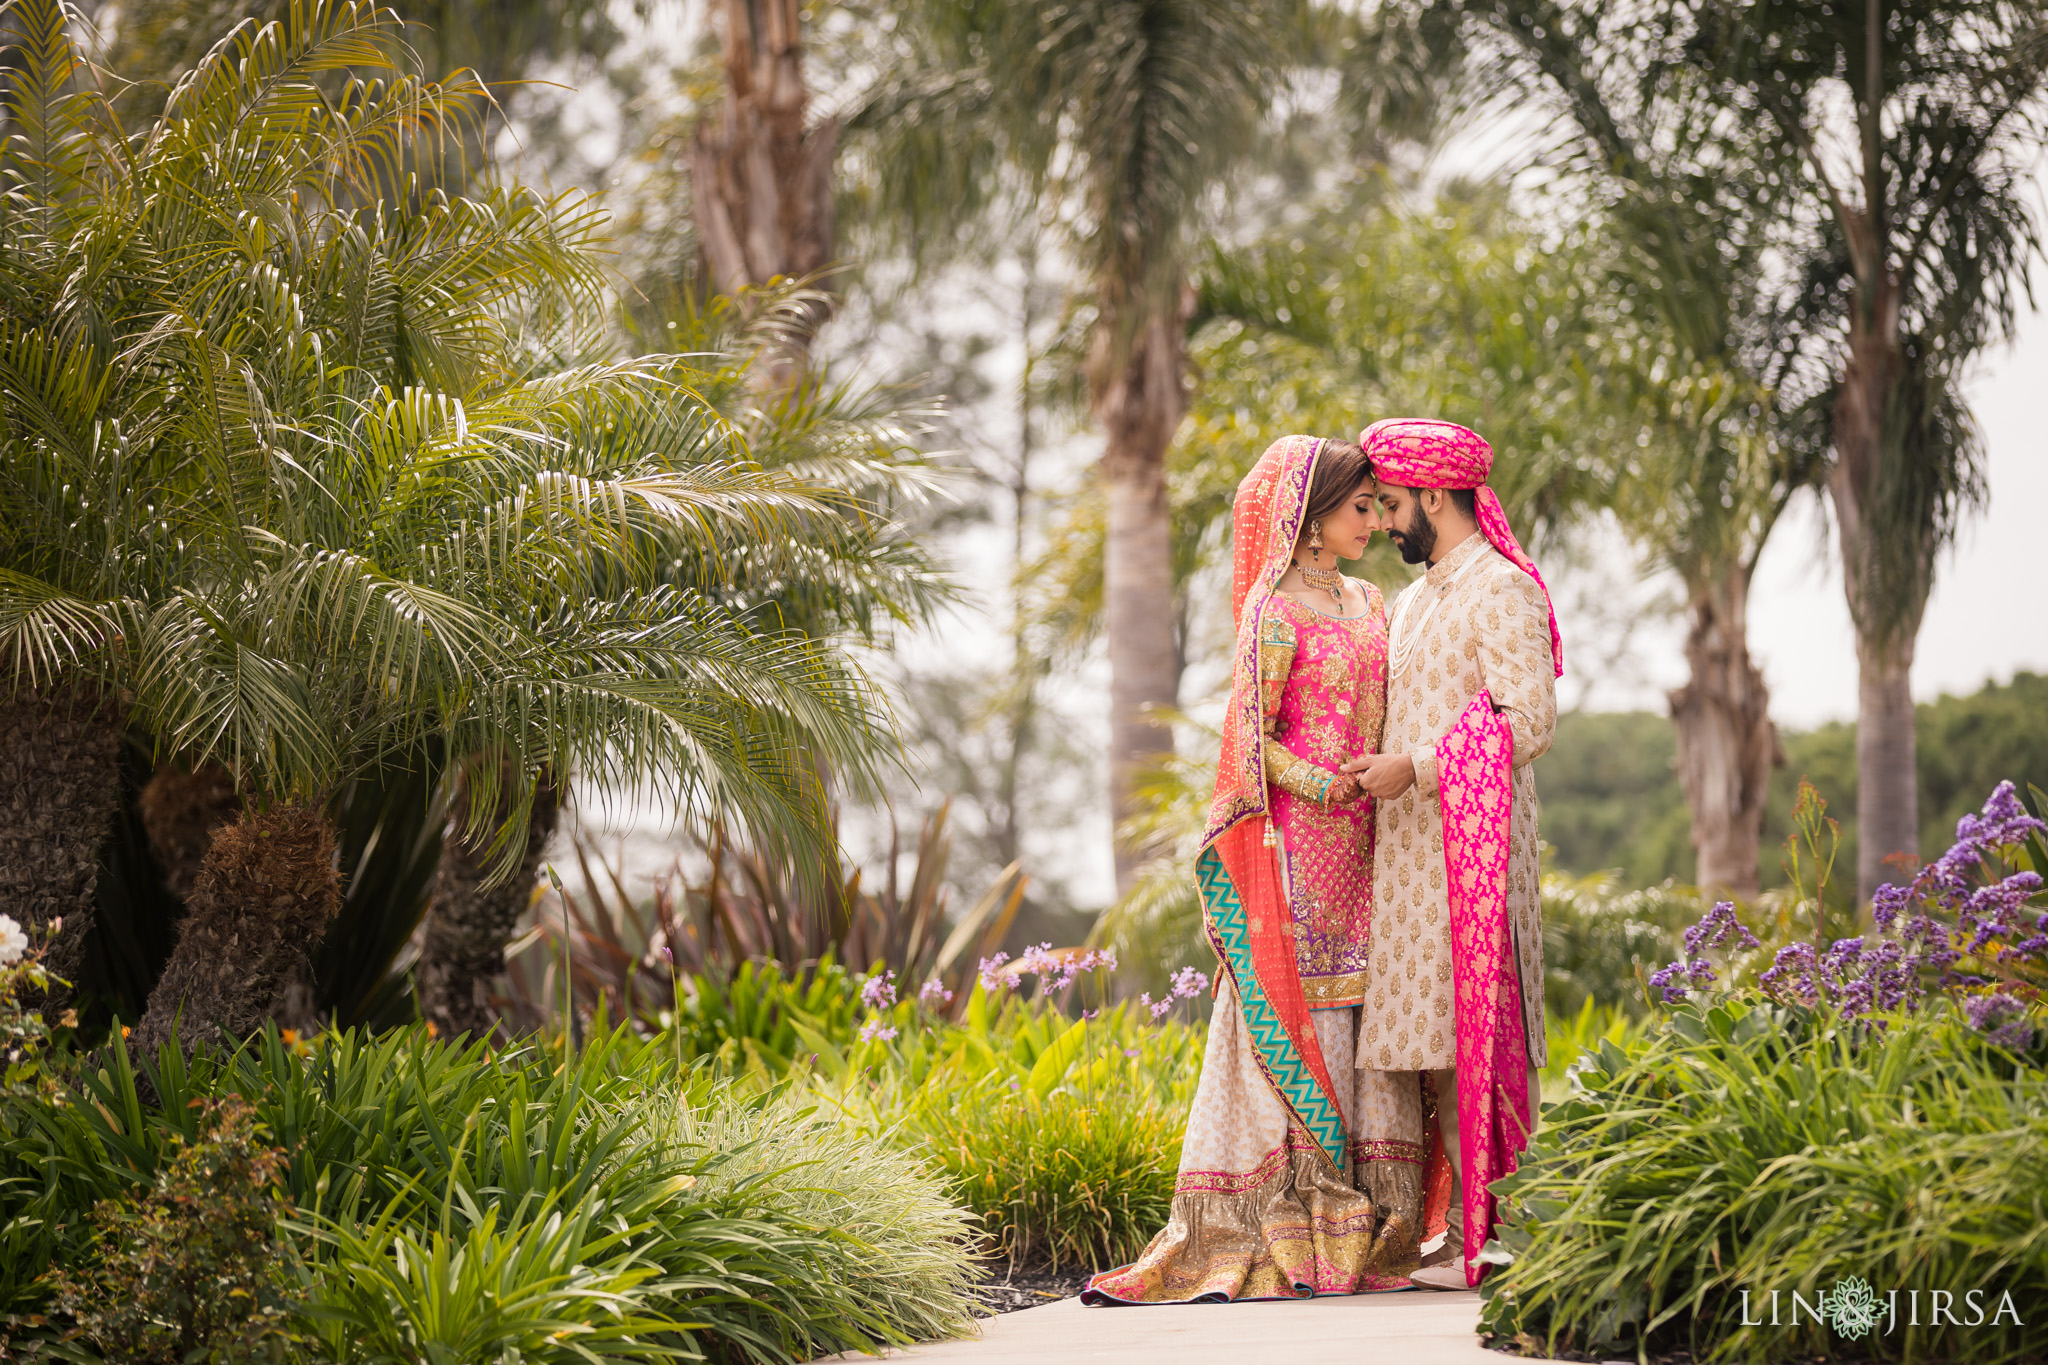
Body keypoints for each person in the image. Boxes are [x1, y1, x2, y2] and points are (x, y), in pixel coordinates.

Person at [1084, 433, 1440, 1305]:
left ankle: (1376, 1221)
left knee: (1367, 1007)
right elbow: (1253, 739)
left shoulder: (1371, 601)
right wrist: (1325, 783)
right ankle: (1289, 1220)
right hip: (1302, 849)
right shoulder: (1272, 613)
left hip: (1375, 843)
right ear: (1314, 517)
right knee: (1302, 1005)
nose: (1375, 521)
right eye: (1361, 507)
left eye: (1376, 506)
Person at [1340, 418, 1560, 1292]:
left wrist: (1420, 768)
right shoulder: (1414, 600)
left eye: (1392, 504)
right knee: (1433, 1043)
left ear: (1436, 493)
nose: (1387, 522)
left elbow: (1529, 720)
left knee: (1482, 1035)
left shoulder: (1500, 589)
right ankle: (1472, 1234)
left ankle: (1514, 1236)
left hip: (1473, 849)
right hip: (1407, 855)